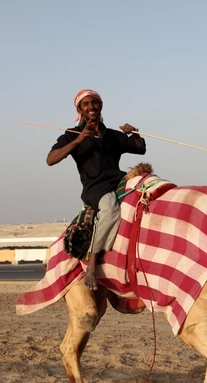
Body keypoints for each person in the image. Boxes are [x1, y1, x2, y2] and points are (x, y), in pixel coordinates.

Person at [46, 89, 146, 290]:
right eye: (86, 104)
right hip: (95, 187)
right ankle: (92, 265)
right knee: (110, 210)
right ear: (80, 109)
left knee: (149, 190)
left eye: (94, 103)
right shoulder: (71, 135)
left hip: (119, 181)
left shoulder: (112, 135)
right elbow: (50, 159)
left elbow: (140, 148)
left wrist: (134, 133)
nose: (91, 107)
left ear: (100, 106)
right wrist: (78, 140)